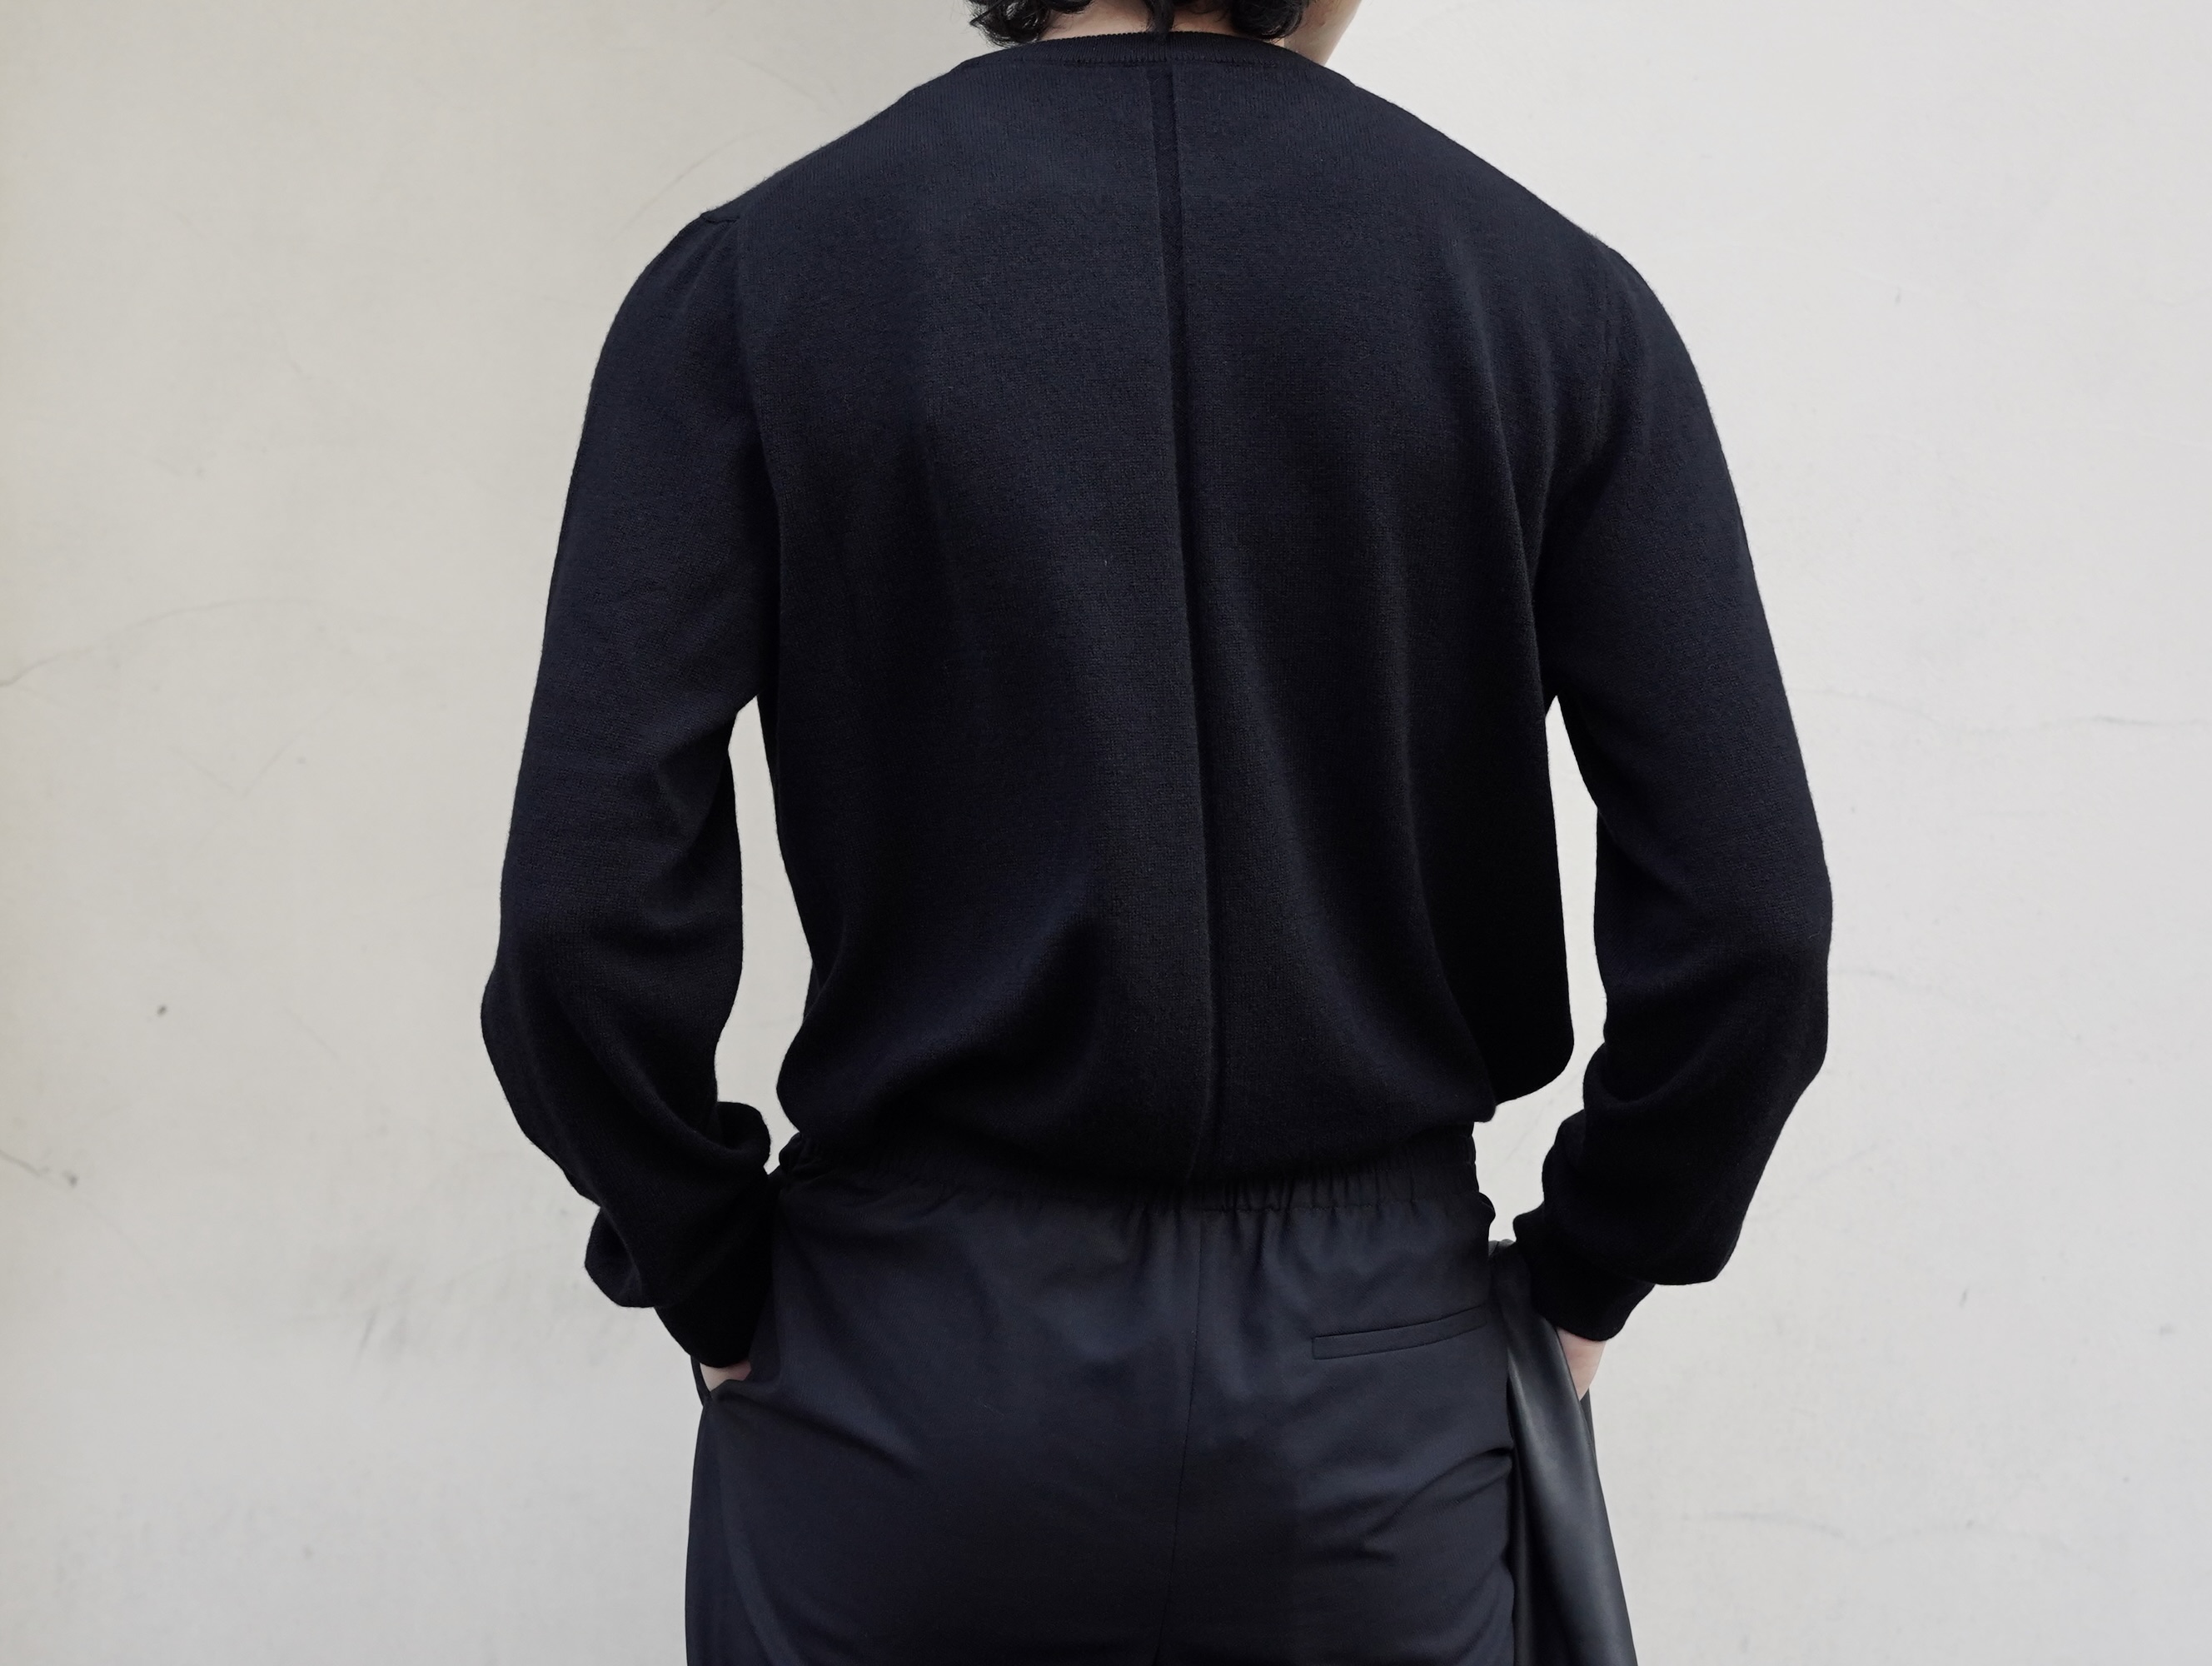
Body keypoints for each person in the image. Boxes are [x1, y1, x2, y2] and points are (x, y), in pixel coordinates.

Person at [479, 0, 1832, 1659]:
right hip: (1374, 1392)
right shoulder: (1551, 300)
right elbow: (1752, 922)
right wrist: (1588, 1277)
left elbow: (581, 916)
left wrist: (704, 1267)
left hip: (900, 1382)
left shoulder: (755, 287)